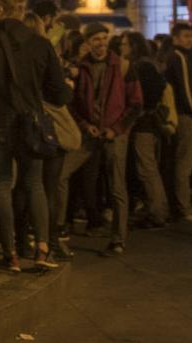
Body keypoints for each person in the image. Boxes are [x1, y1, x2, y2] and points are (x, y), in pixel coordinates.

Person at [0, 0, 70, 273]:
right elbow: (58, 93)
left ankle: (9, 253)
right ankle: (43, 248)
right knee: (34, 184)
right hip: (30, 122)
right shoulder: (40, 45)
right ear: (22, 11)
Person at [59, 26, 141, 257]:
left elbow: (135, 104)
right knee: (62, 174)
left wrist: (116, 129)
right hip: (89, 134)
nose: (101, 43)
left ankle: (118, 239)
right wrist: (86, 126)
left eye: (104, 39)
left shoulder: (123, 66)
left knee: (117, 187)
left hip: (114, 134)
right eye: (96, 39)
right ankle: (56, 231)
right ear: (88, 42)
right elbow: (72, 104)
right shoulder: (82, 68)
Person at [122, 31, 171, 227]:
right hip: (148, 121)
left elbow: (148, 93)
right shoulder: (149, 64)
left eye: (125, 45)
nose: (121, 48)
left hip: (144, 122)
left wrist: (142, 109)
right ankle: (157, 209)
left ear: (133, 46)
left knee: (147, 169)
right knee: (148, 167)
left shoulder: (141, 67)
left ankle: (157, 212)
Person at [166, 23, 192, 222]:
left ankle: (180, 205)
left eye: (190, 36)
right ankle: (184, 208)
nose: (189, 40)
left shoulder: (175, 56)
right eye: (184, 36)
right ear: (175, 38)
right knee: (184, 163)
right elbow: (186, 89)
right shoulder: (179, 58)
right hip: (186, 115)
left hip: (179, 114)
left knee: (179, 162)